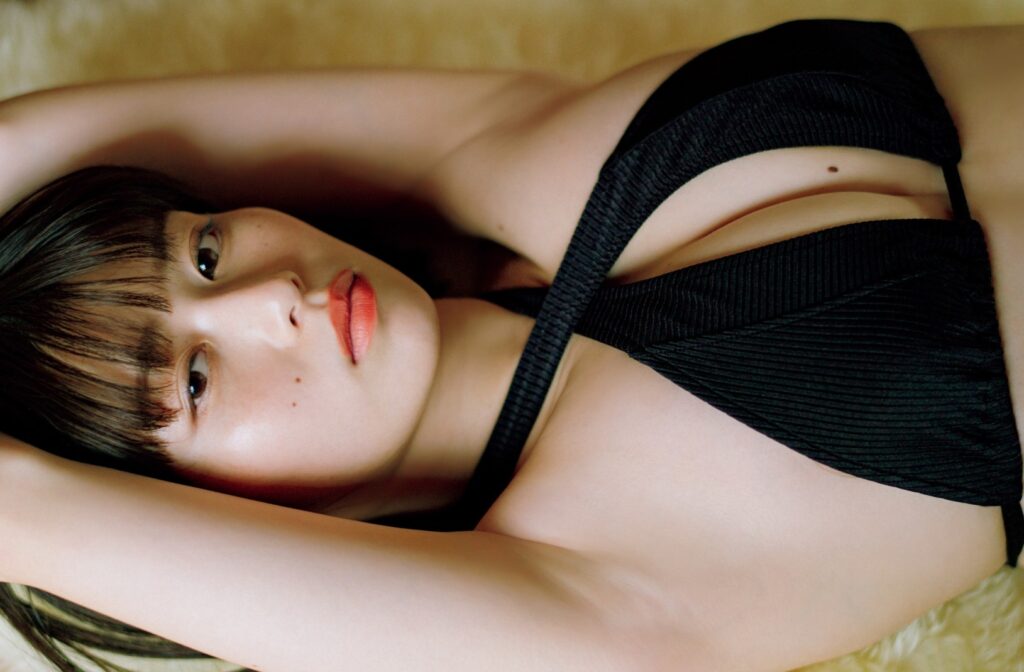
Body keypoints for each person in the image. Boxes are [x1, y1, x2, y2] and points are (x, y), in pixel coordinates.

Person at [0, 18, 1021, 672]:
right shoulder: (584, 585)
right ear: (184, 511)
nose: (275, 297)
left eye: (206, 254)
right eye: (195, 380)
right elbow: (25, 509)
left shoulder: (490, 158)